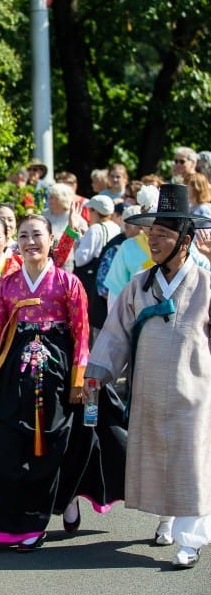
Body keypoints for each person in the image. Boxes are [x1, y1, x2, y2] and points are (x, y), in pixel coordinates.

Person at [0, 214, 126, 549]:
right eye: (24, 235)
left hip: (58, 372)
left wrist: (79, 378)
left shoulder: (69, 283)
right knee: (10, 444)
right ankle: (21, 521)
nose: (30, 242)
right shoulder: (8, 285)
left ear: (52, 239)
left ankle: (64, 500)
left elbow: (82, 332)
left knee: (59, 444)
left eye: (37, 235)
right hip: (15, 372)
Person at [84, 184, 211, 569]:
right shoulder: (139, 285)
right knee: (158, 456)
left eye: (163, 235)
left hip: (196, 390)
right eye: (151, 234)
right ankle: (167, 518)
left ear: (185, 241)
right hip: (150, 388)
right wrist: (97, 373)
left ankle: (190, 540)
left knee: (190, 460)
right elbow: (115, 333)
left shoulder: (206, 285)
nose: (153, 241)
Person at [71, 194, 121, 336]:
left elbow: (82, 258)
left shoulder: (95, 229)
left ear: (96, 212)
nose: (89, 214)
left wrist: (77, 244)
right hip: (109, 279)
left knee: (93, 322)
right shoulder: (115, 227)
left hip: (92, 282)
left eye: (91, 210)